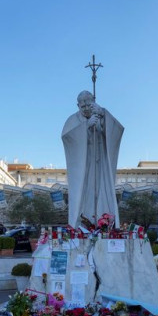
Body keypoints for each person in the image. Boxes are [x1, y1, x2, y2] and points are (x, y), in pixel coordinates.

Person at [61, 90, 124, 229]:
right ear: (77, 105)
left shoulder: (101, 114)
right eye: (82, 107)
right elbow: (67, 137)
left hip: (100, 163)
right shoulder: (73, 120)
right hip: (84, 164)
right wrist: (86, 126)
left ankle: (105, 222)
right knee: (85, 192)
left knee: (102, 189)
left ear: (93, 102)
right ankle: (83, 223)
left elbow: (117, 130)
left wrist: (103, 115)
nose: (86, 109)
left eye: (89, 105)